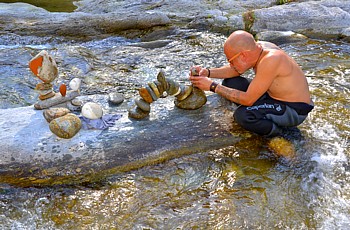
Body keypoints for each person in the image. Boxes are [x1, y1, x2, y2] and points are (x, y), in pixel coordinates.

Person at [189, 30, 314, 137]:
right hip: (272, 96)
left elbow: (248, 100)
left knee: (243, 115)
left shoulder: (271, 59)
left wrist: (212, 86)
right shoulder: (257, 48)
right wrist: (208, 73)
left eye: (231, 60)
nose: (231, 64)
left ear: (243, 55)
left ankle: (282, 134)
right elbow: (235, 70)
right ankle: (266, 116)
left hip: (293, 109)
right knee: (231, 82)